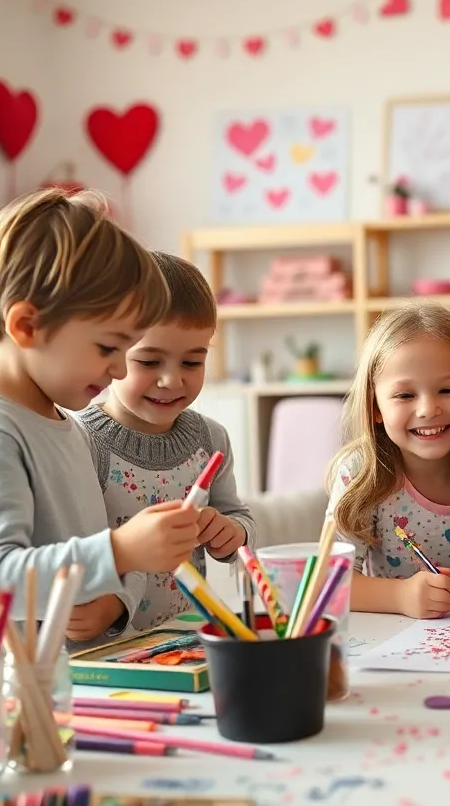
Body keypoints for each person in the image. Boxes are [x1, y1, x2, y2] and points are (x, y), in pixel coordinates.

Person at [0, 188, 201, 647]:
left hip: (79, 676)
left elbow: (82, 558)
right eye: (107, 348)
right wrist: (120, 550)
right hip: (9, 693)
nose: (119, 369)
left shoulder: (65, 426)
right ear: (26, 326)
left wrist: (115, 596)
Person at [77, 251, 255, 637]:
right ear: (109, 351)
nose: (172, 381)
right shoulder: (81, 441)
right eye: (149, 362)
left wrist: (232, 534)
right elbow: (78, 549)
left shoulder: (211, 438)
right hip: (110, 646)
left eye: (192, 363)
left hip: (185, 636)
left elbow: (238, 517)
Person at [328, 303, 450, 619]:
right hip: (388, 637)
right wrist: (402, 597)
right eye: (405, 396)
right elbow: (327, 584)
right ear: (375, 407)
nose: (427, 409)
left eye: (447, 389)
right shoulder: (360, 473)